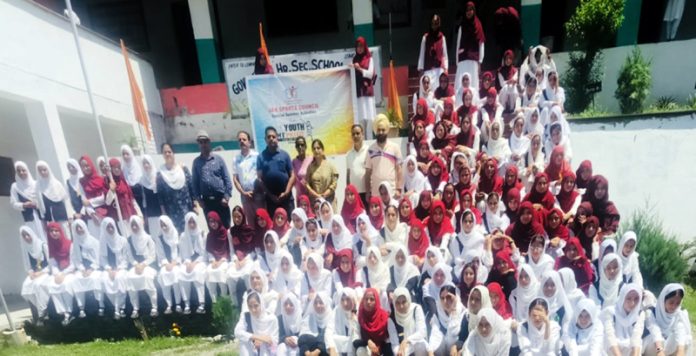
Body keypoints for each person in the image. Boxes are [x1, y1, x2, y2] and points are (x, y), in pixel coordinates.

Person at [192, 130, 233, 228]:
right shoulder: (196, 162)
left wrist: (226, 197)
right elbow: (195, 183)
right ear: (198, 144)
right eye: (200, 142)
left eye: (205, 141)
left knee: (225, 228)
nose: (203, 144)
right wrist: (199, 200)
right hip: (207, 203)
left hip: (221, 200)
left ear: (209, 141)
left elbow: (227, 179)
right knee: (213, 230)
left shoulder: (218, 159)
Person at [644, 283, 693, 355]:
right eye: (671, 302)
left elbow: (680, 331)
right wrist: (660, 351)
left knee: (686, 339)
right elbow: (655, 331)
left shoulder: (678, 314)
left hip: (665, 348)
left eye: (678, 303)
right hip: (653, 347)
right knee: (657, 339)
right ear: (663, 299)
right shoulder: (651, 312)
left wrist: (680, 350)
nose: (674, 306)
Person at [157, 143, 196, 232]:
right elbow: (160, 197)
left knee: (191, 233)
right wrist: (164, 213)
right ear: (162, 155)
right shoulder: (160, 174)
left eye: (169, 152)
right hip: (171, 213)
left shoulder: (183, 169)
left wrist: (195, 204)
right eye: (165, 152)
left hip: (187, 209)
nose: (167, 154)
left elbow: (191, 187)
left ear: (173, 153)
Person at [257, 126, 296, 215]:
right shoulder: (261, 157)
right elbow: (259, 179)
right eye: (269, 137)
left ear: (277, 138)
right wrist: (271, 196)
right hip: (271, 200)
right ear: (265, 139)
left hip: (287, 198)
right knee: (274, 226)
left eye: (273, 137)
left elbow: (292, 175)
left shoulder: (285, 155)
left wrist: (286, 192)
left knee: (290, 224)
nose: (271, 139)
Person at [125, 216, 158, 318]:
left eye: (136, 225)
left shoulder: (148, 238)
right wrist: (136, 265)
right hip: (135, 266)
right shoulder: (129, 239)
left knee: (147, 277)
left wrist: (143, 265)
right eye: (132, 225)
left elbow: (153, 256)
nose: (134, 227)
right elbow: (129, 256)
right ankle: (135, 308)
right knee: (129, 277)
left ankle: (154, 307)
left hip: (148, 265)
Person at [70, 219, 104, 317]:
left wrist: (91, 269)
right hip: (83, 269)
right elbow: (75, 259)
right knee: (76, 280)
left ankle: (100, 305)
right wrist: (82, 269)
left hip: (94, 268)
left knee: (94, 279)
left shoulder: (93, 241)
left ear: (85, 227)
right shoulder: (75, 243)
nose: (79, 230)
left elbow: (98, 258)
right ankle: (81, 307)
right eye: (77, 228)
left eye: (81, 227)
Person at [365, 114, 403, 201]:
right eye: (378, 130)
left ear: (387, 131)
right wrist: (368, 192)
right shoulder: (370, 150)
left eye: (383, 130)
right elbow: (367, 173)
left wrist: (399, 189)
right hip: (376, 193)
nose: (381, 132)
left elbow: (399, 170)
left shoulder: (395, 147)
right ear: (375, 131)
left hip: (392, 193)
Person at [46, 222, 76, 326]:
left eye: (56, 231)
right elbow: (53, 264)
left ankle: (69, 311)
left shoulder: (69, 244)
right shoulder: (51, 246)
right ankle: (63, 312)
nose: (54, 233)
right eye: (51, 231)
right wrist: (57, 274)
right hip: (59, 274)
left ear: (60, 231)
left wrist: (63, 274)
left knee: (66, 284)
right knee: (52, 285)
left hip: (70, 272)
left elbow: (73, 263)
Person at [602, 283, 645, 356]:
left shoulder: (639, 314)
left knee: (638, 345)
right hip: (611, 348)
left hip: (629, 347)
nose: (632, 303)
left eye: (636, 299)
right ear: (622, 298)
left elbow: (637, 336)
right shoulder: (610, 312)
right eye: (628, 298)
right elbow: (610, 336)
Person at [99, 218, 129, 320]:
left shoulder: (122, 240)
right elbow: (102, 259)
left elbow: (125, 258)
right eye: (108, 227)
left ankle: (119, 308)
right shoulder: (102, 242)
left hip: (121, 269)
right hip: (109, 270)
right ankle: (119, 307)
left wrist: (118, 269)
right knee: (104, 280)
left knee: (120, 279)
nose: (111, 229)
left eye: (112, 226)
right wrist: (109, 270)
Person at [19, 226, 50, 324]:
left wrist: (41, 273)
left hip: (46, 272)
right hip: (35, 273)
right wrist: (30, 273)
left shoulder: (42, 245)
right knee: (26, 288)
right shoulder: (26, 249)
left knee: (38, 285)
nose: (27, 238)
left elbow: (51, 263)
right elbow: (27, 265)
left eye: (28, 235)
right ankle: (40, 308)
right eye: (24, 236)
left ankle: (43, 311)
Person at [154, 216, 184, 314]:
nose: (164, 227)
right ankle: (169, 304)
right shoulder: (159, 238)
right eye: (161, 225)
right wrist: (166, 263)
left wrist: (175, 263)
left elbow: (182, 252)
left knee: (175, 274)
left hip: (178, 263)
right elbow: (160, 254)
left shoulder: (177, 235)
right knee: (163, 275)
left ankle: (178, 303)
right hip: (166, 264)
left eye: (165, 225)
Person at [178, 212, 207, 314]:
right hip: (188, 262)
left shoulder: (202, 233)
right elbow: (184, 254)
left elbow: (204, 254)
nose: (191, 225)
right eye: (189, 222)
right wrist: (188, 263)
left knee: (197, 272)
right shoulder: (183, 236)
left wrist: (194, 264)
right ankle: (186, 304)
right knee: (181, 273)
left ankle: (201, 303)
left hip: (201, 261)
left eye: (193, 222)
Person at [234, 291, 279, 356]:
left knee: (263, 347)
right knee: (244, 341)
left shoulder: (271, 318)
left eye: (256, 306)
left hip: (267, 350)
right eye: (250, 306)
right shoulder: (246, 316)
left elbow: (275, 340)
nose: (253, 310)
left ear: (261, 304)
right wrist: (257, 338)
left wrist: (262, 341)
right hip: (253, 348)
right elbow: (237, 332)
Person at [10, 161, 46, 242]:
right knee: (34, 239)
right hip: (29, 218)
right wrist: (23, 205)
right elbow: (13, 203)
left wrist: (36, 204)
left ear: (27, 170)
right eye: (18, 171)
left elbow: (43, 200)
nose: (21, 173)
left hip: (41, 216)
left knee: (45, 237)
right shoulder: (15, 187)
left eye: (23, 170)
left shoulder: (36, 184)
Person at [233, 131, 263, 226]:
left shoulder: (257, 156)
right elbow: (235, 179)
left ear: (249, 142)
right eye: (239, 140)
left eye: (244, 139)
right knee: (250, 223)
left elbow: (261, 175)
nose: (242, 141)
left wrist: (256, 190)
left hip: (257, 194)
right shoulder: (236, 159)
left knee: (261, 220)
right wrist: (243, 193)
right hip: (245, 195)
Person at [355, 288, 396, 356]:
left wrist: (379, 346)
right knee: (360, 351)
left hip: (384, 348)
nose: (368, 302)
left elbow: (391, 339)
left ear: (376, 301)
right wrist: (368, 341)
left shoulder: (384, 317)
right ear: (363, 300)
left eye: (372, 299)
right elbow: (355, 340)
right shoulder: (360, 317)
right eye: (366, 299)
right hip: (367, 349)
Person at [455, 2, 485, 94]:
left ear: (474, 11)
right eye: (467, 10)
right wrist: (457, 61)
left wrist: (480, 61)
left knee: (473, 84)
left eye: (471, 10)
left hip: (473, 60)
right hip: (463, 59)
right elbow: (458, 44)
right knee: (461, 83)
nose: (469, 12)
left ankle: (473, 106)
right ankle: (460, 104)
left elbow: (481, 44)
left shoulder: (478, 25)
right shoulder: (462, 26)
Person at [391, 287, 428, 356]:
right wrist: (399, 353)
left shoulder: (416, 309)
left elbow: (422, 332)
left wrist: (407, 340)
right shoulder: (392, 318)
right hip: (404, 350)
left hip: (417, 345)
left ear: (408, 300)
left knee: (420, 345)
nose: (401, 306)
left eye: (404, 302)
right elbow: (394, 344)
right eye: (398, 303)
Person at [305, 139, 339, 210]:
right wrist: (317, 195)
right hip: (316, 202)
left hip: (329, 200)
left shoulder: (330, 165)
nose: (316, 150)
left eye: (318, 148)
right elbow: (307, 184)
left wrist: (325, 194)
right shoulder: (310, 167)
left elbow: (334, 182)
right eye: (314, 148)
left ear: (322, 150)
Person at [352, 37, 376, 138]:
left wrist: (360, 69)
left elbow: (370, 74)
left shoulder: (369, 59)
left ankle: (369, 140)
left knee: (370, 118)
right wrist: (352, 67)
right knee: (361, 119)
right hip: (359, 92)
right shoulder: (354, 59)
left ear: (365, 46)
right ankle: (362, 141)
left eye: (361, 46)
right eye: (357, 46)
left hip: (367, 91)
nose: (359, 48)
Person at [205, 211, 231, 303]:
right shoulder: (209, 235)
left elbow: (228, 249)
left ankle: (224, 297)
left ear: (218, 221)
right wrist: (212, 261)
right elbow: (209, 251)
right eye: (211, 222)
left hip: (224, 260)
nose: (213, 224)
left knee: (220, 271)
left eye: (214, 221)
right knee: (208, 271)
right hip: (214, 261)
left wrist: (221, 261)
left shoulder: (225, 232)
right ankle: (214, 300)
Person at [34, 161, 69, 228]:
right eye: (40, 171)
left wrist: (70, 217)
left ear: (48, 169)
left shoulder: (57, 184)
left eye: (44, 170)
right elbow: (40, 205)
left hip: (62, 217)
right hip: (49, 218)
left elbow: (66, 200)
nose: (43, 172)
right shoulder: (38, 186)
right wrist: (43, 220)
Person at [417, 14, 448, 91]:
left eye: (436, 23)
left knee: (438, 93)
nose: (434, 26)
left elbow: (445, 55)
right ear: (430, 24)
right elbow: (422, 54)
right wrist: (421, 69)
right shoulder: (425, 38)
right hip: (428, 69)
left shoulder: (442, 38)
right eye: (433, 23)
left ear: (439, 24)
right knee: (428, 93)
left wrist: (446, 69)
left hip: (439, 70)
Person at [107, 158, 140, 224]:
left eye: (118, 167)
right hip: (120, 216)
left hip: (131, 213)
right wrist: (111, 190)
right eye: (114, 167)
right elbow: (108, 202)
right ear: (111, 169)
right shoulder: (108, 182)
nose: (117, 169)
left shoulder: (123, 181)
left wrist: (139, 214)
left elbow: (132, 199)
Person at [346, 124, 369, 209]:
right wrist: (348, 192)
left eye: (358, 133)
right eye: (353, 134)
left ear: (362, 135)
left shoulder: (368, 151)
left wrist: (369, 192)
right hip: (354, 195)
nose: (355, 136)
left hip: (366, 193)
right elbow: (348, 175)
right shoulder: (348, 154)